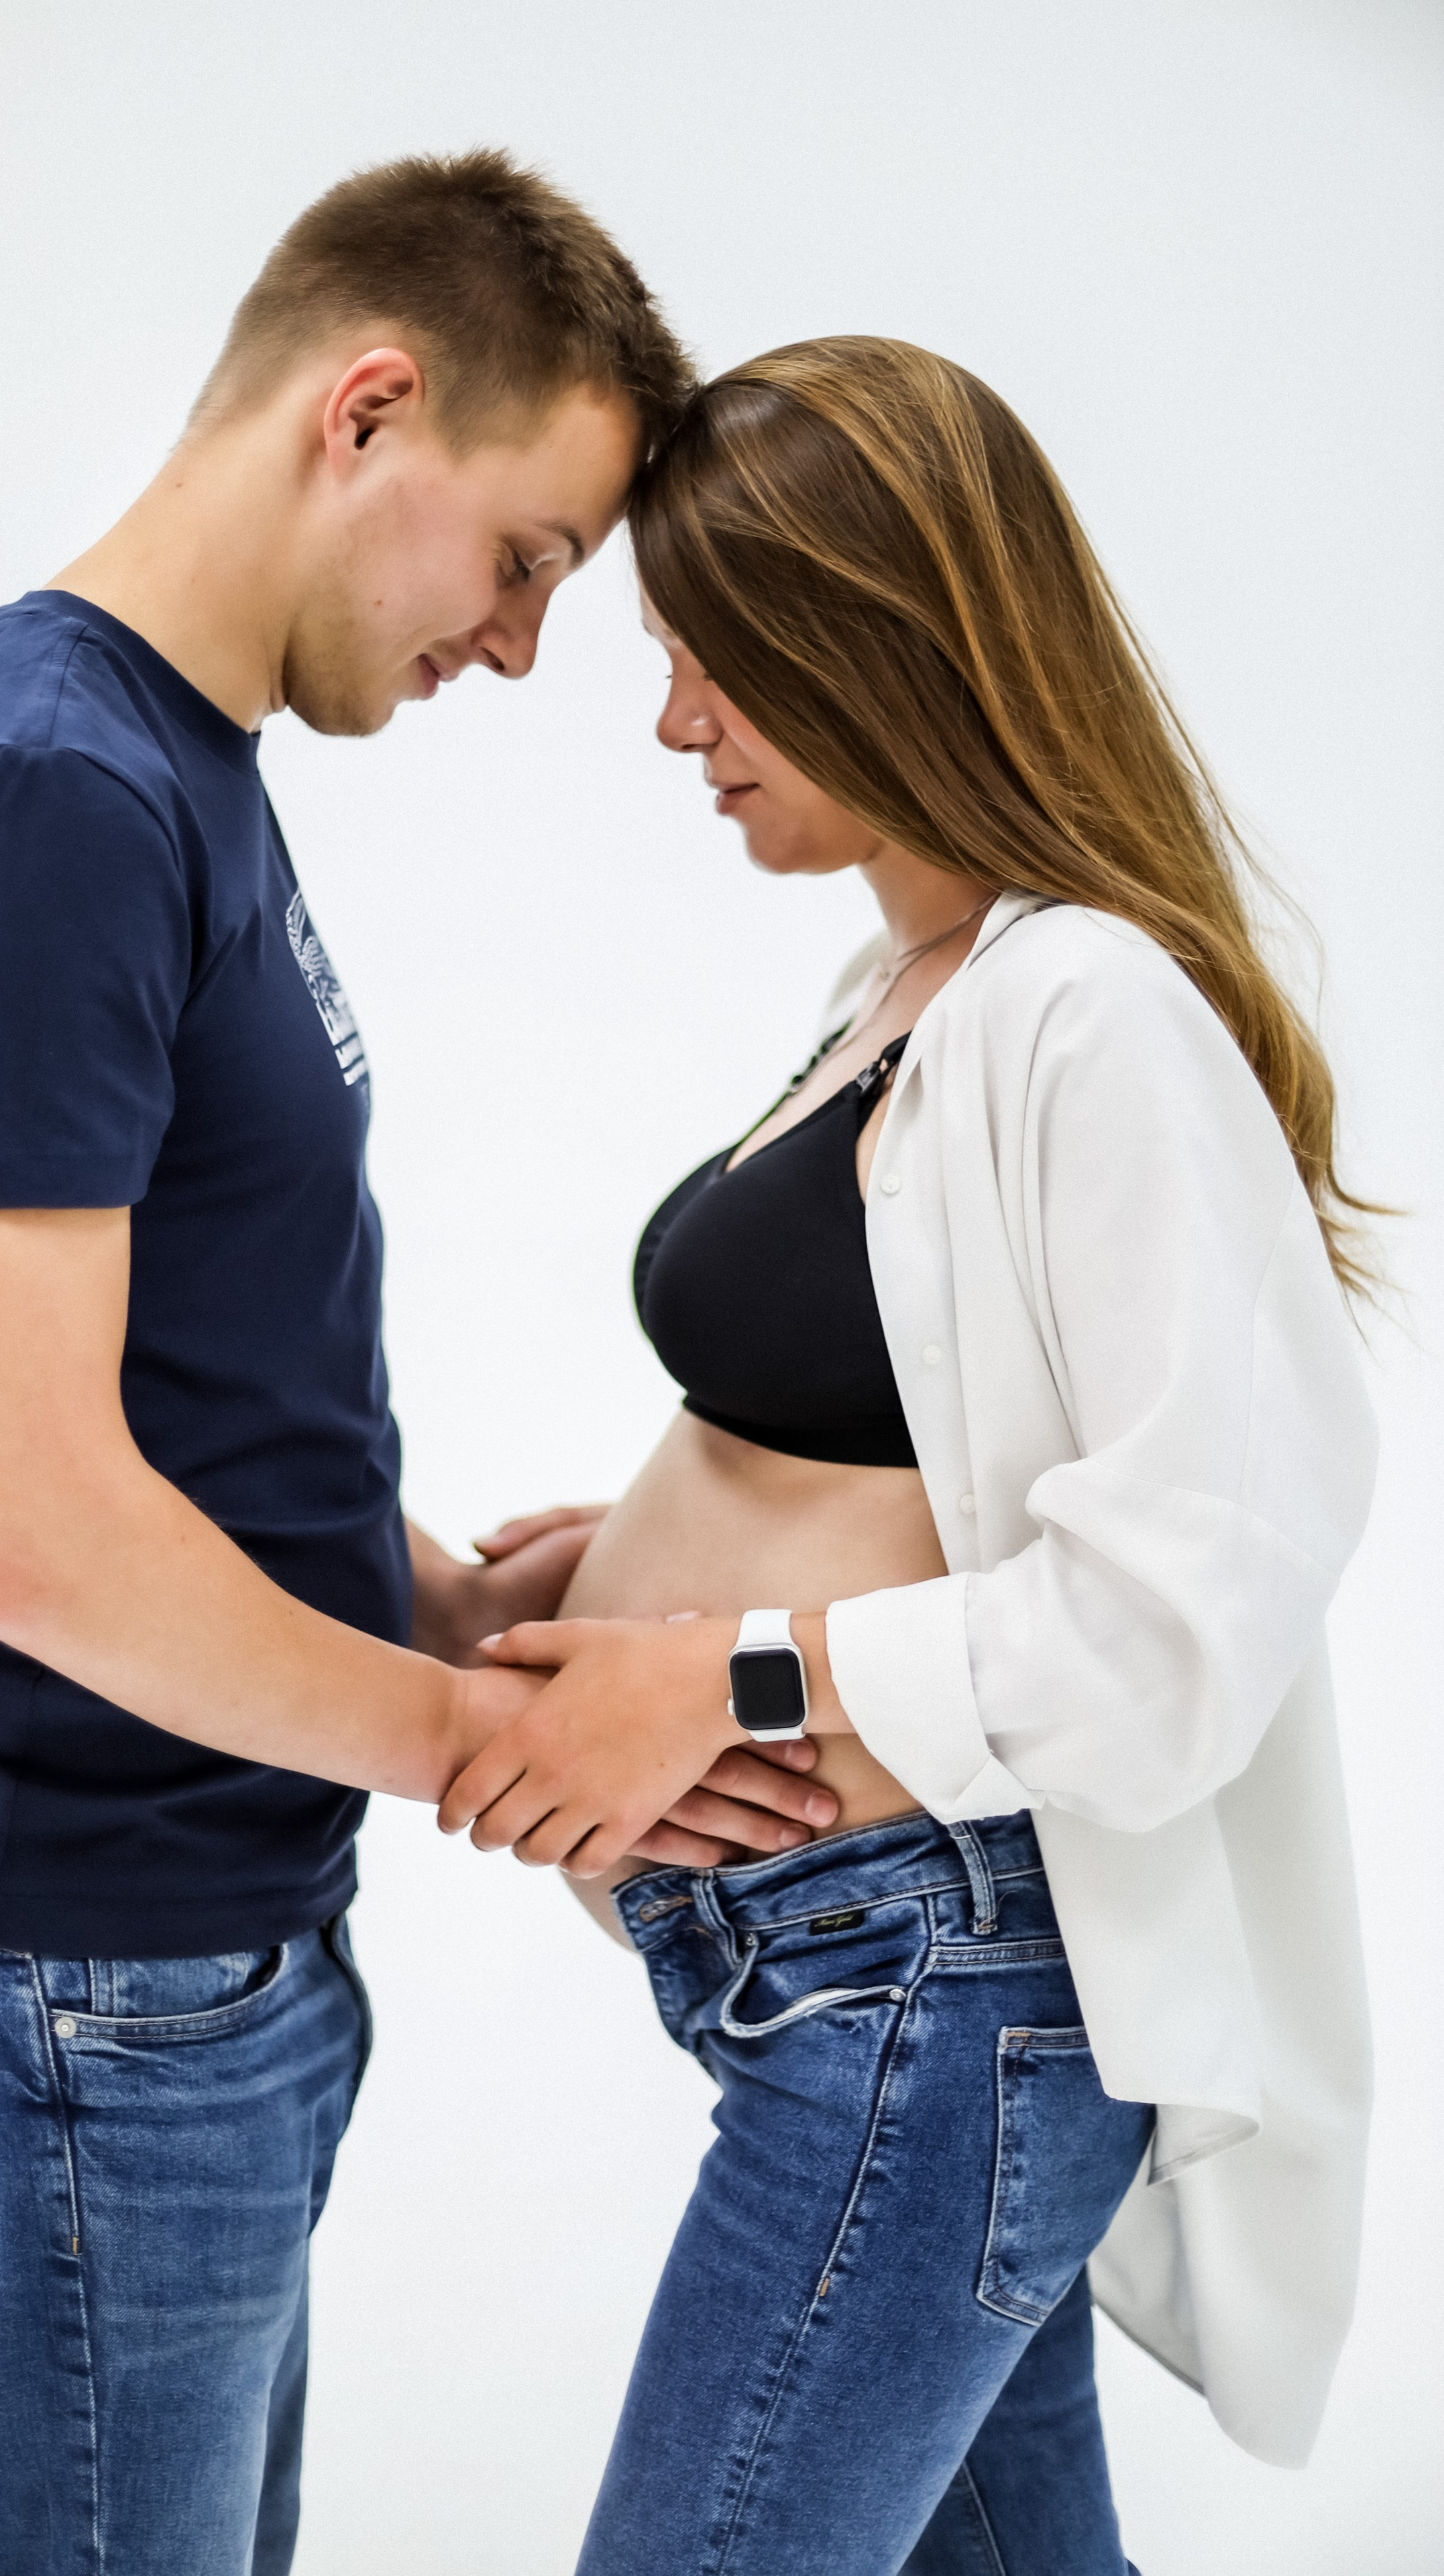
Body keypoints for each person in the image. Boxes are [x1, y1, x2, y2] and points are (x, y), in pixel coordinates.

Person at [0, 154, 835, 2575]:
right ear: (372, 411)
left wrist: (435, 1594)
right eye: (535, 558)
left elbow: (187, 1384)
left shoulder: (165, 770)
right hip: (68, 1970)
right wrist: (490, 1741)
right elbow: (27, 1526)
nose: (523, 648)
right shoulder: (47, 801)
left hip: (184, 1941)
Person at [442, 337, 1380, 2573]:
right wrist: (655, 1545)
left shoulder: (1093, 1007)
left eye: (720, 667)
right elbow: (939, 1405)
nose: (678, 725)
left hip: (933, 2010)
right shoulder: (914, 977)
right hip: (845, 1989)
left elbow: (1194, 1601)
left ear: (888, 639)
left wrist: (736, 1665)